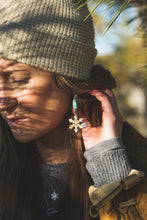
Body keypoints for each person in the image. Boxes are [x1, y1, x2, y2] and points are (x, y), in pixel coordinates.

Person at [0, 0, 146, 220]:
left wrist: (110, 163)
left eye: (19, 79)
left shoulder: (138, 158)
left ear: (68, 79)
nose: (2, 101)